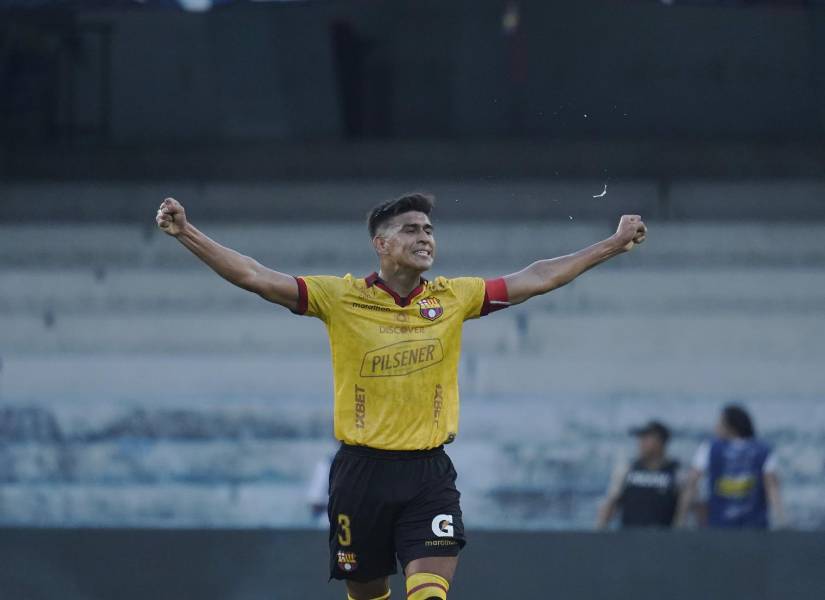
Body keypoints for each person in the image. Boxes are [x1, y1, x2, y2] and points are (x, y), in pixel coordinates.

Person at [155, 194, 647, 600]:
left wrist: (613, 243)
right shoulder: (339, 298)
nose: (425, 237)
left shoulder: (454, 297)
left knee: (429, 595)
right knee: (367, 593)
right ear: (382, 243)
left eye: (429, 229)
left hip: (427, 473)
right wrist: (187, 232)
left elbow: (537, 277)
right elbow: (254, 276)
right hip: (360, 474)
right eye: (412, 229)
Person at [676, 404, 783, 529]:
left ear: (730, 426)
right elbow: (772, 488)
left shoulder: (710, 448)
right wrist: (782, 521)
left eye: (719, 423)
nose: (715, 427)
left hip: (719, 525)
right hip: (755, 526)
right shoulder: (763, 450)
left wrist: (679, 520)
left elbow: (691, 483)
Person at [596, 420, 681, 529]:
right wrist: (600, 528)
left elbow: (682, 510)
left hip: (661, 540)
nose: (641, 442)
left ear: (660, 442)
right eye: (641, 438)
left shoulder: (676, 472)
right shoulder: (627, 470)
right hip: (629, 538)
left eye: (646, 438)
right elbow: (611, 503)